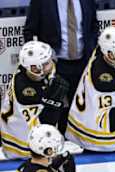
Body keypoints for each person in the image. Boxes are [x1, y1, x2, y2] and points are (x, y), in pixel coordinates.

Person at [65, 27, 115, 152]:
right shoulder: (105, 81)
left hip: (85, 122)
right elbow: (105, 121)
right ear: (110, 54)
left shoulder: (105, 53)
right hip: (97, 139)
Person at [23, 0, 99, 134]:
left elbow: (93, 25)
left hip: (83, 63)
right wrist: (41, 60)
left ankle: (78, 145)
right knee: (54, 112)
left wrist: (91, 49)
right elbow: (29, 31)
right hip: (55, 65)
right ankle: (52, 146)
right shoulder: (41, 2)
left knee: (82, 110)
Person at [0, 41, 69, 159]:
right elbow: (45, 124)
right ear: (35, 68)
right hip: (23, 148)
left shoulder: (26, 71)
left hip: (16, 136)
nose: (51, 64)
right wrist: (55, 102)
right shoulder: (27, 92)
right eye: (46, 63)